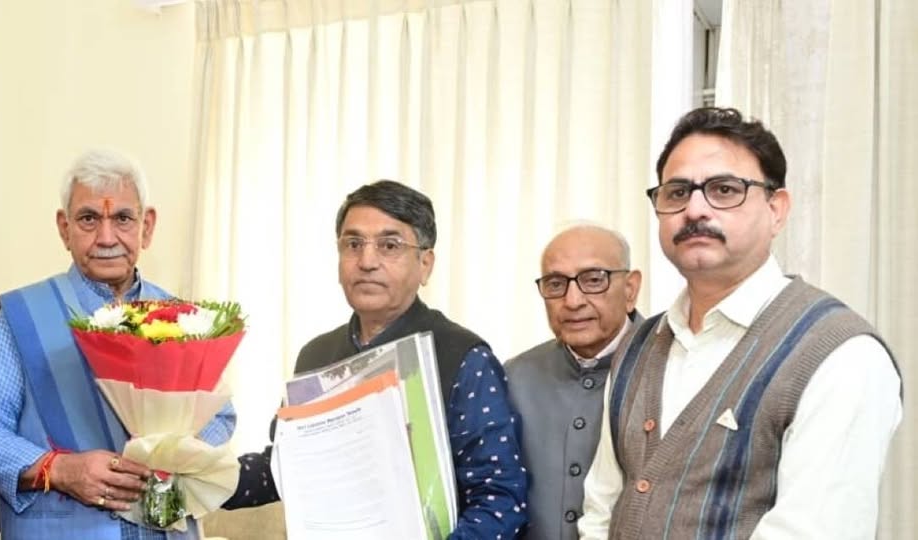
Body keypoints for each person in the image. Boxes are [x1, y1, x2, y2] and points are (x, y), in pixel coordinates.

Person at [578, 107, 903, 539]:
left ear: (776, 209)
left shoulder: (842, 355)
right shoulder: (637, 345)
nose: (695, 209)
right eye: (676, 192)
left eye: (724, 189)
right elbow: (601, 510)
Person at [223, 180, 528, 539]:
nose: (367, 261)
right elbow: (285, 470)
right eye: (353, 244)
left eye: (389, 245)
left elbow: (500, 500)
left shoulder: (463, 357)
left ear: (425, 264)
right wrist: (199, 476)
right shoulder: (316, 355)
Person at [0, 148, 237, 539]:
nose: (107, 237)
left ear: (147, 226)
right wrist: (59, 470)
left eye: (123, 218)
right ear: (64, 227)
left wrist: (176, 452)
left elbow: (221, 417)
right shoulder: (21, 318)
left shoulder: (186, 321)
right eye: (89, 219)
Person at [506, 224, 642, 540]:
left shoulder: (669, 364)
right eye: (555, 284)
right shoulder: (514, 377)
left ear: (631, 288)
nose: (572, 300)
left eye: (594, 280)